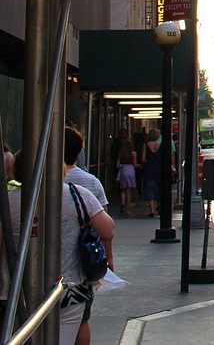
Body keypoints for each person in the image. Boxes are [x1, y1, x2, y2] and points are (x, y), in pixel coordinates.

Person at [62, 126, 115, 345]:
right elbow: (106, 231)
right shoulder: (89, 184)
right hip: (74, 274)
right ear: (79, 152)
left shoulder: (17, 194)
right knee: (81, 320)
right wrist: (109, 258)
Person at [140, 129, 163, 217]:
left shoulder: (145, 145)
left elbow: (142, 159)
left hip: (149, 168)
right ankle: (159, 206)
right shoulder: (161, 145)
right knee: (159, 186)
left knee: (150, 187)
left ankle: (152, 210)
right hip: (159, 168)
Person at [114, 139, 138, 216]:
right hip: (131, 170)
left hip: (123, 170)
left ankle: (123, 202)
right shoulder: (133, 154)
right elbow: (135, 165)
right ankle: (127, 209)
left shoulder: (121, 154)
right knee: (129, 191)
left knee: (123, 190)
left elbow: (117, 165)